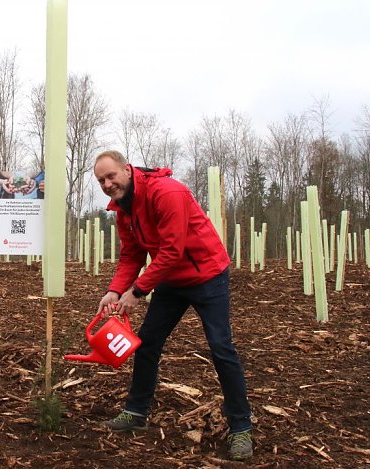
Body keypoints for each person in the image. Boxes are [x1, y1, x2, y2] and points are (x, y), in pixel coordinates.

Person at [92, 150, 253, 461]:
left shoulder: (167, 192)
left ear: (127, 170)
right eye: (101, 181)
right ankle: (136, 412)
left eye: (111, 176)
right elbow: (132, 256)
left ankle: (241, 427)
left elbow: (173, 250)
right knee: (147, 343)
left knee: (221, 347)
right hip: (171, 279)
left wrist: (137, 291)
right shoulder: (123, 209)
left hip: (207, 274)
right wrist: (114, 290)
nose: (108, 184)